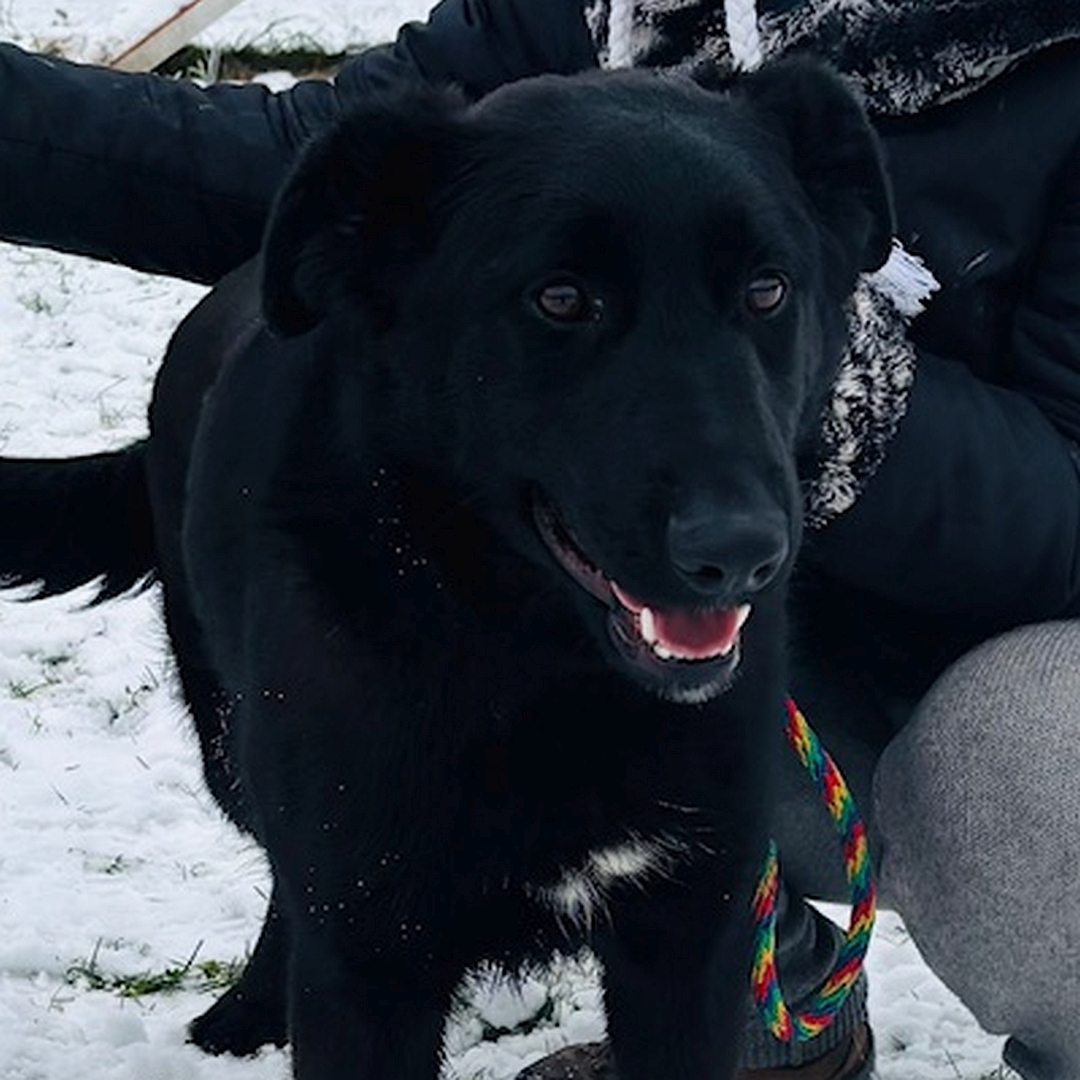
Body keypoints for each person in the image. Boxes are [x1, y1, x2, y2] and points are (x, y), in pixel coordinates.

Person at [5, 2, 1080, 1077]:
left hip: (950, 657)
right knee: (345, 874)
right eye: (564, 299)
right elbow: (301, 163)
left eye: (763, 288)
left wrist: (826, 380)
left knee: (1028, 784)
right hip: (574, 580)